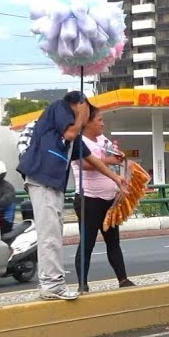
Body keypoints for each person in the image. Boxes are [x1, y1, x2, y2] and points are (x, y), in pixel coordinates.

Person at [16, 91, 128, 300]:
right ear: (79, 104)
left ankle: (53, 283)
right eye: (89, 111)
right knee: (49, 233)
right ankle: (51, 286)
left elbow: (90, 158)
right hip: (42, 179)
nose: (88, 119)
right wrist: (81, 112)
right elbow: (70, 133)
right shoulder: (60, 108)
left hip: (53, 183)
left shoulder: (73, 133)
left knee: (55, 233)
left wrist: (115, 178)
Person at [71, 105, 136, 292]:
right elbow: (84, 164)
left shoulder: (102, 139)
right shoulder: (79, 141)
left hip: (109, 199)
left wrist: (118, 156)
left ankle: (123, 279)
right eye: (99, 120)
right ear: (88, 122)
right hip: (89, 199)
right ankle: (82, 284)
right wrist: (108, 161)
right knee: (87, 242)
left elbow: (111, 156)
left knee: (113, 241)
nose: (102, 124)